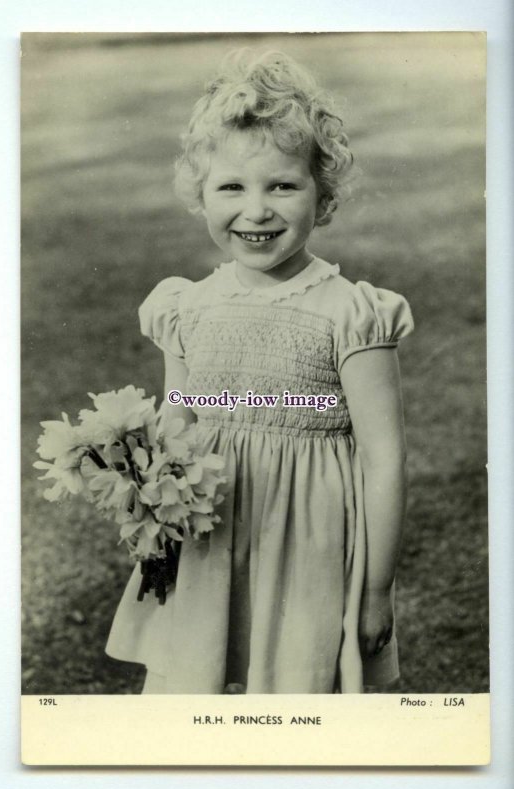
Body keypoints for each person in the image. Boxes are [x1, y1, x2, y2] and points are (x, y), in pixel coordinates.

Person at [105, 50, 414, 694]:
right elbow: (179, 427)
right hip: (211, 540)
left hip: (308, 543)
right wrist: (150, 518)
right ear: (201, 194)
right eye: (232, 187)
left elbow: (384, 457)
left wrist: (378, 590)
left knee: (295, 694)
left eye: (283, 185)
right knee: (196, 694)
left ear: (322, 196)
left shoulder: (351, 314)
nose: (257, 210)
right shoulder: (186, 307)